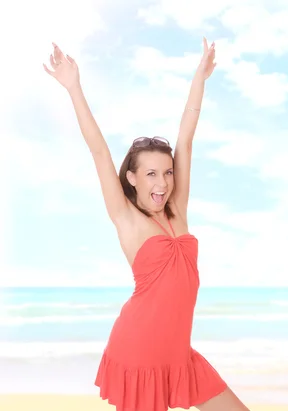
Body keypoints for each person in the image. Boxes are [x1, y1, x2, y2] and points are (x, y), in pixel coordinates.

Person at [44, 40, 250, 411]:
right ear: (133, 178)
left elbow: (185, 140)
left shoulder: (177, 211)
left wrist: (199, 79)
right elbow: (99, 151)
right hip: (139, 351)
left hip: (179, 354)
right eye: (151, 174)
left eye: (167, 173)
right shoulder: (126, 218)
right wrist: (74, 87)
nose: (163, 182)